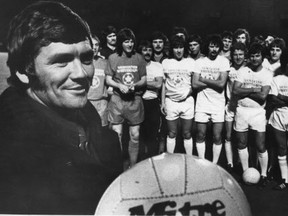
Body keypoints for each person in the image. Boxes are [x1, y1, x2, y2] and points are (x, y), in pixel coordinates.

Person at [0, 1, 122, 214]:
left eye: (86, 58)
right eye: (61, 61)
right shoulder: (12, 154)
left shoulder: (84, 115)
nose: (81, 74)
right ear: (22, 71)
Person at [232, 42, 273, 187]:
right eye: (252, 56)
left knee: (260, 145)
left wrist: (247, 89)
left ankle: (263, 175)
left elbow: (263, 96)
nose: (255, 59)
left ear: (262, 57)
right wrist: (255, 89)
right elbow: (235, 91)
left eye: (257, 56)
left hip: (258, 113)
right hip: (242, 111)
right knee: (241, 143)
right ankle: (245, 172)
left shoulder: (267, 74)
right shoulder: (243, 71)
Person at [106, 28, 147, 168]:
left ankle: (133, 167)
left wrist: (134, 85)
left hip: (134, 101)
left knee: (135, 135)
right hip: (117, 101)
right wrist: (118, 85)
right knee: (117, 134)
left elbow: (144, 80)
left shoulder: (139, 58)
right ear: (120, 43)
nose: (129, 44)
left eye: (131, 41)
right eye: (126, 41)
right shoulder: (113, 58)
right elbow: (107, 79)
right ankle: (118, 168)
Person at [193, 34, 230, 164]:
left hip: (218, 104)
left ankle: (214, 164)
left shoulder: (224, 61)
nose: (214, 49)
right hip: (202, 104)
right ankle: (202, 162)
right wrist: (213, 81)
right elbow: (194, 84)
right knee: (200, 135)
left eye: (216, 46)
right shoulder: (199, 62)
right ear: (207, 47)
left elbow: (221, 85)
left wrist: (203, 79)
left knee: (217, 136)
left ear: (220, 48)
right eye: (211, 46)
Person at [161, 35, 195, 155]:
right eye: (176, 47)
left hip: (187, 102)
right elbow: (164, 84)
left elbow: (194, 84)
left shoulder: (190, 62)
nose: (179, 50)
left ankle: (190, 160)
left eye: (181, 47)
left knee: (187, 133)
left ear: (184, 48)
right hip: (171, 102)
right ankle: (170, 159)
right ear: (172, 49)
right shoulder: (166, 62)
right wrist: (163, 102)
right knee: (172, 133)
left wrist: (187, 93)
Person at [138, 40, 164, 158]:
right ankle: (141, 162)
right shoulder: (137, 65)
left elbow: (158, 85)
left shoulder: (157, 66)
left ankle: (153, 160)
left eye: (149, 50)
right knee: (140, 134)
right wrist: (150, 82)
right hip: (139, 101)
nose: (147, 52)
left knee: (153, 134)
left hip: (153, 102)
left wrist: (142, 83)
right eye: (144, 50)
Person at [267, 49, 288, 190]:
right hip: (278, 117)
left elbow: (277, 97)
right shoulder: (277, 79)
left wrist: (282, 97)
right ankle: (285, 179)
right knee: (281, 148)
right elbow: (272, 99)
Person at [224, 42, 247, 170]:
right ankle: (229, 163)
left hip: (243, 107)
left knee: (241, 138)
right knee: (227, 136)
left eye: (241, 54)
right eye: (235, 54)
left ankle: (240, 163)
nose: (238, 57)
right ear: (232, 55)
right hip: (230, 105)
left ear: (245, 55)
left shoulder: (248, 69)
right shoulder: (229, 68)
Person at [87, 35, 109, 127]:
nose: (94, 47)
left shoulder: (105, 63)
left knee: (101, 132)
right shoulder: (81, 62)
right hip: (86, 103)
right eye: (92, 44)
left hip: (101, 104)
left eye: (96, 45)